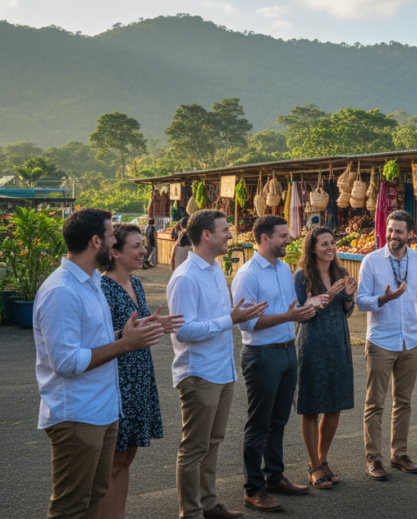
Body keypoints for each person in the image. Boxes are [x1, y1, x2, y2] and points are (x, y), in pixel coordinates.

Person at [34, 208, 165, 519]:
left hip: (103, 410)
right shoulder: (62, 290)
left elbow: (92, 341)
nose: (113, 241)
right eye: (110, 237)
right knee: (71, 507)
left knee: (94, 500)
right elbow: (66, 362)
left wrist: (125, 333)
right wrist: (124, 344)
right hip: (77, 414)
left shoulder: (90, 281)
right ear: (96, 241)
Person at [168, 209, 267, 519]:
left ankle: (209, 505)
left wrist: (236, 315)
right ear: (206, 235)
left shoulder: (213, 269)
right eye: (225, 229)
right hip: (198, 372)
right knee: (194, 448)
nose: (230, 234)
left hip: (222, 370)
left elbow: (220, 319)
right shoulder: (185, 276)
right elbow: (183, 330)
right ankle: (192, 513)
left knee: (213, 443)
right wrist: (230, 319)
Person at [232, 215, 319, 511]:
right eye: (283, 236)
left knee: (279, 421)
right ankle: (253, 489)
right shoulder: (247, 275)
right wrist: (290, 317)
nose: (288, 240)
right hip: (262, 355)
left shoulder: (284, 269)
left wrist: (309, 307)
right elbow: (247, 324)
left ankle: (274, 476)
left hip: (287, 351)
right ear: (265, 238)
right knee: (259, 424)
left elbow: (289, 309)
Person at [97, 224, 183, 519]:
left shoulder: (137, 283)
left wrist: (157, 324)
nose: (143, 250)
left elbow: (140, 327)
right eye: (135, 246)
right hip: (117, 379)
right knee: (112, 463)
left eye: (141, 245)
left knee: (127, 458)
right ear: (115, 253)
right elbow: (97, 339)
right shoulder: (102, 289)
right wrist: (126, 334)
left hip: (140, 377)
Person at [356, 210, 417, 480]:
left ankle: (399, 453)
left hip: (411, 340)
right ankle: (373, 459)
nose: (392, 235)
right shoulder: (372, 261)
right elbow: (361, 301)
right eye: (389, 230)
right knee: (375, 403)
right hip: (381, 340)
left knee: (404, 401)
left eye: (399, 231)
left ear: (410, 233)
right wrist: (383, 299)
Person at [293, 226, 357, 489]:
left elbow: (347, 312)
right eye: (324, 244)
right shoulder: (301, 277)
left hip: (338, 342)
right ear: (312, 248)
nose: (330, 248)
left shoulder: (340, 273)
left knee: (334, 404)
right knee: (311, 406)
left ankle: (323, 458)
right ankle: (313, 464)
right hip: (311, 343)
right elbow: (302, 313)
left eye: (333, 243)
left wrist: (349, 297)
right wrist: (329, 295)